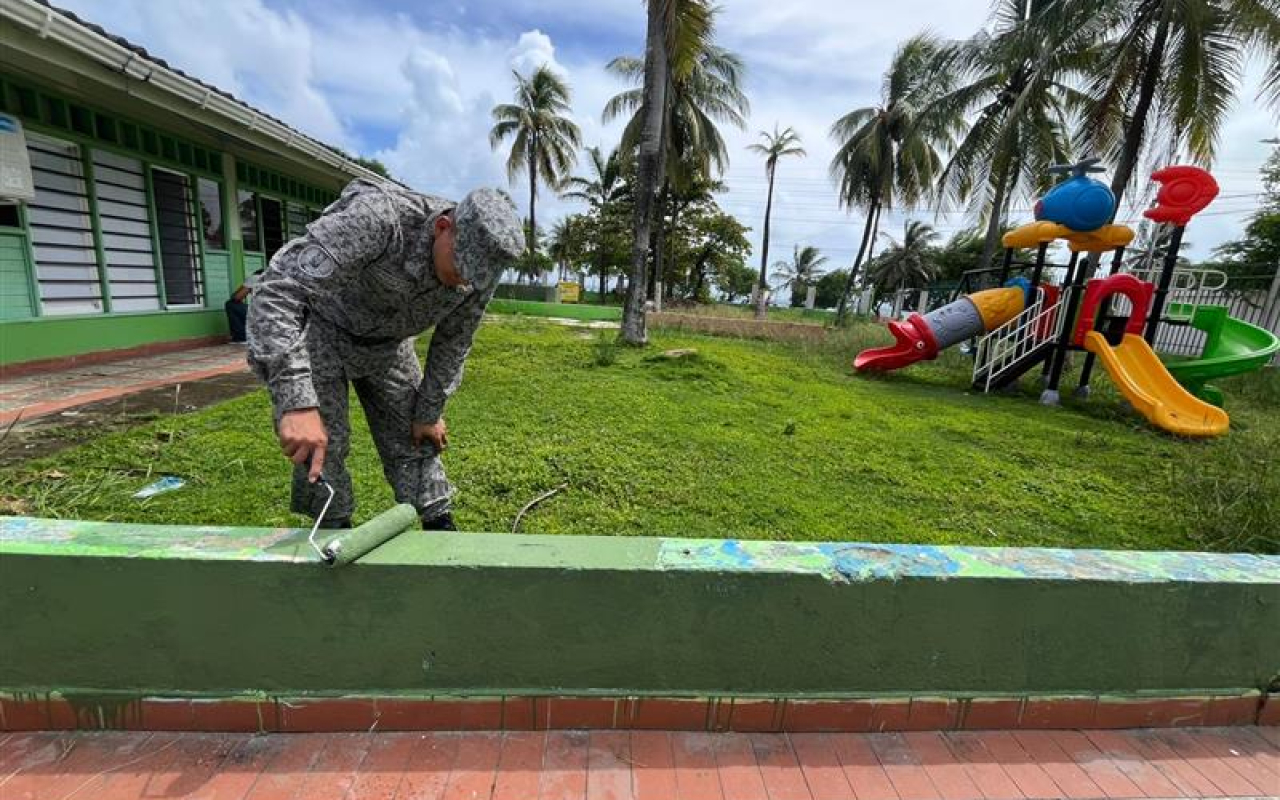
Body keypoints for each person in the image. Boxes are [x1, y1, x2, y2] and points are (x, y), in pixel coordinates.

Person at [246, 180, 523, 531]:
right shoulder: (380, 218)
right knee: (323, 448)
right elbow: (277, 292)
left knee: (417, 441)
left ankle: (440, 532)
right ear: (443, 228)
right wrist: (296, 402)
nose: (462, 283)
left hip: (390, 345)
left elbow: (454, 341)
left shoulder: (478, 269)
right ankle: (333, 533)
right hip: (323, 330)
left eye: (472, 278)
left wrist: (429, 412)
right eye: (458, 270)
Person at [224, 269, 264, 343]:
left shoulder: (255, 278)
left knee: (231, 304)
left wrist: (244, 287)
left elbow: (236, 297)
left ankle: (241, 338)